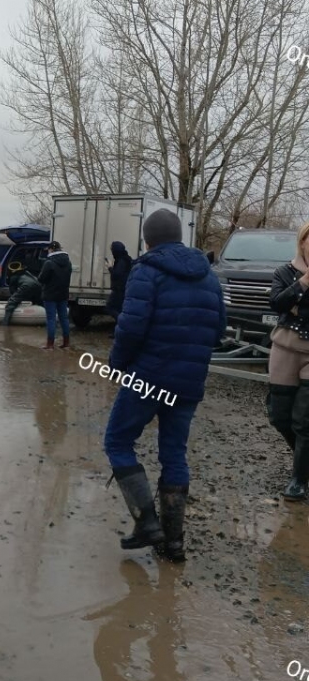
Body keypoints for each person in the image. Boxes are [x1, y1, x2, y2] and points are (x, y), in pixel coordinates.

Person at [103, 209, 226, 561]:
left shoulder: (147, 269)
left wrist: (117, 365)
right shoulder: (209, 275)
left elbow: (130, 328)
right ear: (180, 238)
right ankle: (173, 543)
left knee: (118, 441)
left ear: (147, 240)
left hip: (148, 377)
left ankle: (146, 523)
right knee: (173, 453)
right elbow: (218, 331)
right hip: (189, 381)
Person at [266, 222, 309, 500]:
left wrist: (296, 303)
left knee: (304, 420)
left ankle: (299, 478)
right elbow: (277, 303)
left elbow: (291, 306)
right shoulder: (284, 271)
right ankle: (305, 462)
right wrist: (303, 283)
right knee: (279, 416)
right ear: (302, 242)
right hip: (285, 346)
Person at [38, 241, 72, 349]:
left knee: (51, 319)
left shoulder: (49, 263)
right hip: (63, 294)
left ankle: (50, 344)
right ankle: (66, 343)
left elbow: (41, 279)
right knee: (64, 319)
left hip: (50, 295)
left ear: (51, 249)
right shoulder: (68, 262)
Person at [106, 241, 134, 319]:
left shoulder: (121, 260)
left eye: (112, 250)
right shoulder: (125, 259)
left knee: (110, 307)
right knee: (119, 308)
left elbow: (117, 274)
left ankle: (121, 321)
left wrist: (110, 267)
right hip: (123, 288)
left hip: (119, 289)